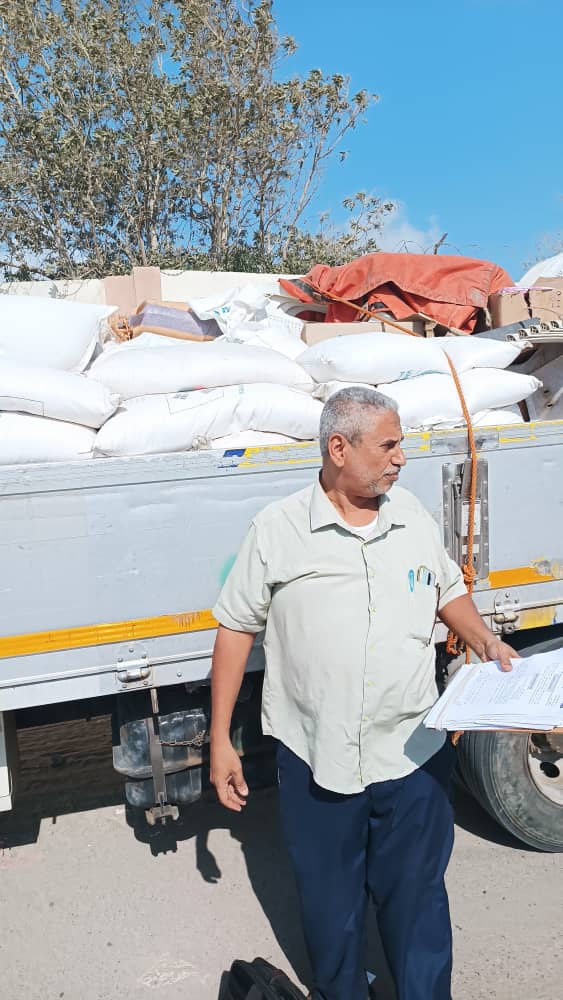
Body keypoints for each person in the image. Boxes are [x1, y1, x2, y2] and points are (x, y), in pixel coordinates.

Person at [210, 387, 516, 1000]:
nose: (402, 457)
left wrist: (483, 638)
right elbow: (237, 627)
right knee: (330, 906)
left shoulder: (413, 520)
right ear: (339, 448)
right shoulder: (278, 529)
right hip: (316, 754)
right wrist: (219, 738)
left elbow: (446, 589)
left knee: (418, 900)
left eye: (401, 443)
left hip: (412, 753)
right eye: (389, 445)